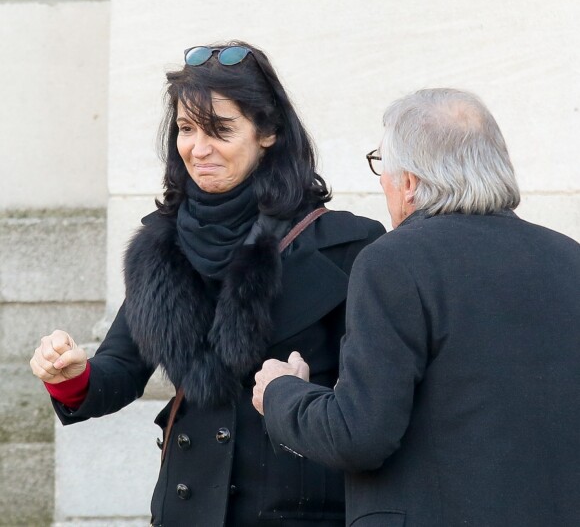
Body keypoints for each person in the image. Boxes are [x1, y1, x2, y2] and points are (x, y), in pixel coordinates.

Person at [29, 41, 385, 527]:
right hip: (187, 508)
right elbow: (120, 368)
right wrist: (70, 376)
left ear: (269, 132)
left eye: (220, 129)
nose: (198, 148)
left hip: (304, 510)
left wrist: (304, 399)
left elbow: (376, 404)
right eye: (186, 129)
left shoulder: (346, 245)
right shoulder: (159, 248)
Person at [253, 88, 580, 527]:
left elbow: (359, 435)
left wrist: (281, 393)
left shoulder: (394, 261)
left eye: (381, 166)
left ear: (408, 182)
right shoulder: (569, 260)